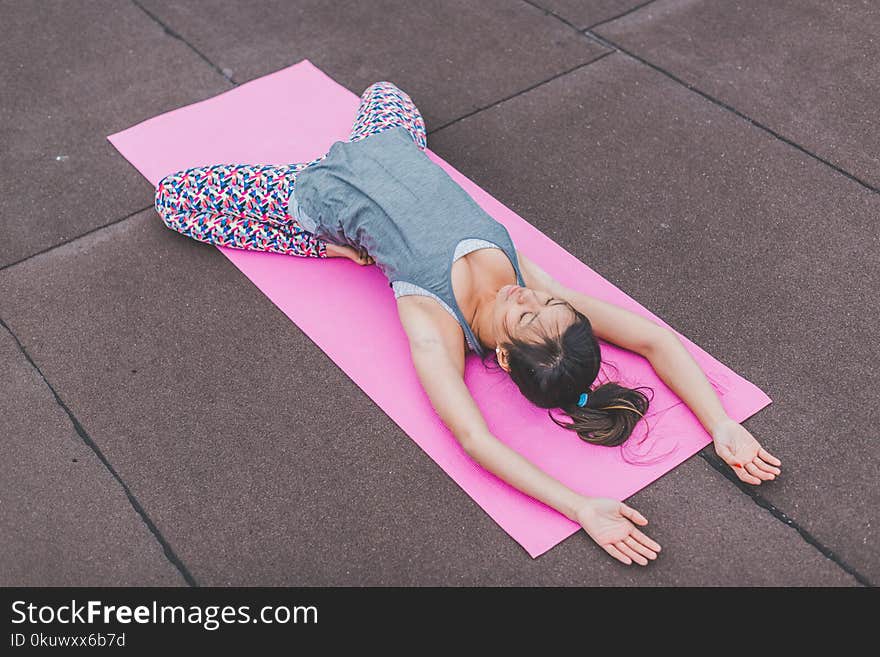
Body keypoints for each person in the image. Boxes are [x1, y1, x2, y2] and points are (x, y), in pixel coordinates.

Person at [154, 81, 782, 566]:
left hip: (315, 194)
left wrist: (580, 506)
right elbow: (650, 338)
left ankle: (327, 246)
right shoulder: (538, 291)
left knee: (171, 201)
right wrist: (721, 423)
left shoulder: (434, 324)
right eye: (544, 304)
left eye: (525, 313)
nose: (524, 294)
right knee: (384, 92)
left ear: (504, 357)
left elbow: (478, 440)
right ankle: (351, 230)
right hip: (391, 147)